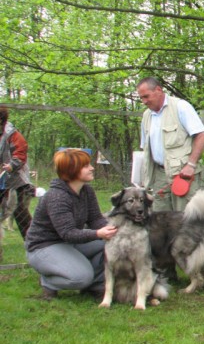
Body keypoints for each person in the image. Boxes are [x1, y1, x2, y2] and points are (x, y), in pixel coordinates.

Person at [25, 149, 118, 300]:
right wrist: (98, 234)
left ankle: (94, 286)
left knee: (113, 244)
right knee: (80, 277)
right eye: (86, 166)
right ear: (72, 170)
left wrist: (114, 229)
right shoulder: (57, 197)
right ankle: (48, 281)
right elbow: (68, 233)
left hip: (70, 243)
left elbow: (95, 220)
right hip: (44, 247)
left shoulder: (86, 191)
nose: (92, 168)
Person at [136, 77, 204, 212]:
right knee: (160, 219)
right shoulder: (147, 115)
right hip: (159, 174)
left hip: (183, 174)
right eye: (141, 98)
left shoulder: (180, 106)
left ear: (158, 90)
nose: (144, 101)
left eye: (146, 96)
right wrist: (141, 176)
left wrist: (191, 165)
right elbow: (145, 150)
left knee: (186, 218)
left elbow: (202, 135)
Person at [0, 107, 35, 239]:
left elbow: (20, 153)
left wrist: (11, 165)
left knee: (19, 210)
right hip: (1, 177)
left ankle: (33, 239)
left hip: (16, 178)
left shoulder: (13, 134)